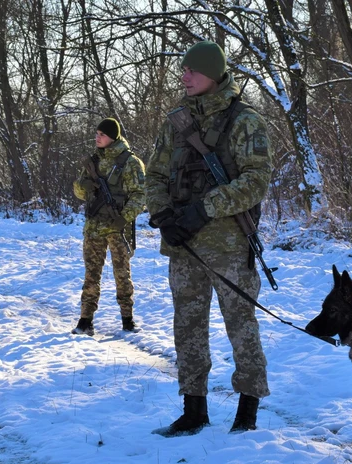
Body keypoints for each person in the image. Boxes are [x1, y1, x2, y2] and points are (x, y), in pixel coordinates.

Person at [145, 41, 272, 436]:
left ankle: (247, 412)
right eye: (183, 70)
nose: (184, 76)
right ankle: (194, 409)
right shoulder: (177, 121)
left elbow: (256, 180)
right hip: (184, 245)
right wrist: (163, 215)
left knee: (241, 326)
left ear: (214, 74)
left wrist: (205, 208)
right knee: (187, 326)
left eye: (192, 71)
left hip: (230, 244)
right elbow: (155, 175)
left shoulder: (244, 121)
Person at [71, 118, 145, 336]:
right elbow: (79, 192)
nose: (97, 137)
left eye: (102, 134)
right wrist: (83, 186)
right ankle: (85, 320)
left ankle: (127, 319)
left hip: (118, 227)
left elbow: (140, 196)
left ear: (113, 136)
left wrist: (124, 218)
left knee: (122, 275)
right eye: (96, 133)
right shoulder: (93, 161)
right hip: (94, 227)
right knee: (91, 275)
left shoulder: (130, 162)